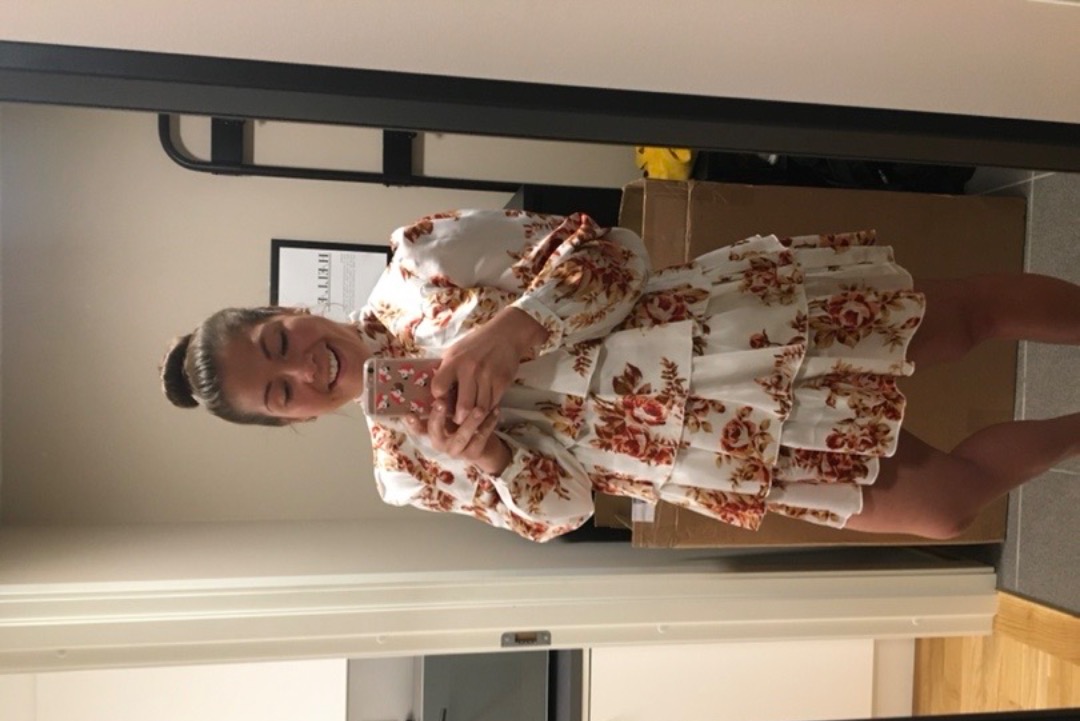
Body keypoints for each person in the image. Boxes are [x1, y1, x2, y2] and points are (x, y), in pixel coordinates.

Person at [161, 209, 1080, 543]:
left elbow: (612, 255)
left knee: (965, 319)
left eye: (278, 341)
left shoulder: (422, 263)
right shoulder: (409, 470)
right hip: (704, 453)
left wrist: (512, 333)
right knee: (943, 508)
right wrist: (488, 459)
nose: (302, 368)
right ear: (293, 421)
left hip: (729, 331)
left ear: (287, 310)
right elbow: (564, 510)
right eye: (280, 392)